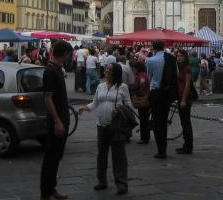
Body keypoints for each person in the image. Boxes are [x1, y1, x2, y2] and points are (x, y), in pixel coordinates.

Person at [79, 63, 130, 195]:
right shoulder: (100, 86)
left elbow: (129, 105)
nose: (106, 72)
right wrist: (85, 108)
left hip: (116, 126)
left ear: (115, 73)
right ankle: (102, 181)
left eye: (109, 70)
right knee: (101, 155)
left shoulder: (122, 87)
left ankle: (121, 184)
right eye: (106, 69)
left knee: (118, 156)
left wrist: (119, 111)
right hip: (101, 125)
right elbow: (95, 102)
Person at [39, 40, 73, 200]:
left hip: (62, 118)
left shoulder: (57, 69)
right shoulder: (50, 71)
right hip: (57, 121)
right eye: (69, 54)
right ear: (65, 54)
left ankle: (51, 188)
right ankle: (45, 192)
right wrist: (57, 121)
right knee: (51, 158)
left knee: (56, 157)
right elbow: (47, 99)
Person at [146, 40, 177, 159]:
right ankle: (163, 148)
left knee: (157, 122)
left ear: (153, 47)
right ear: (164, 47)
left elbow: (149, 77)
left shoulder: (151, 60)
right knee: (163, 121)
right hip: (167, 93)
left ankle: (161, 150)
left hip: (155, 92)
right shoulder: (171, 58)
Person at [175, 49, 194, 154]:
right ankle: (186, 144)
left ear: (185, 57)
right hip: (180, 96)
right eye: (177, 56)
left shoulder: (186, 68)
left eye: (181, 56)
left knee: (186, 122)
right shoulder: (180, 68)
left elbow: (187, 84)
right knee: (183, 122)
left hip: (185, 97)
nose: (178, 58)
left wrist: (183, 100)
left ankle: (188, 146)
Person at [132, 61, 151, 145]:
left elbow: (142, 82)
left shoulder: (141, 75)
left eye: (134, 68)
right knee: (144, 119)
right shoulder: (145, 74)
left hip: (142, 98)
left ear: (137, 68)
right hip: (146, 97)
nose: (133, 69)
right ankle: (146, 137)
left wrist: (140, 91)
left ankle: (144, 138)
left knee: (143, 119)